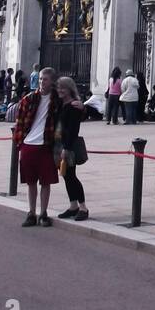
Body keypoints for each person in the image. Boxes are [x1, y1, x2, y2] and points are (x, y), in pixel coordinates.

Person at [11, 65, 60, 227]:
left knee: (45, 182)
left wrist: (81, 107)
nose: (41, 82)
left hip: (46, 145)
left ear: (52, 82)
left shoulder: (57, 100)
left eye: (45, 79)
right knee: (31, 182)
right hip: (29, 144)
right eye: (40, 79)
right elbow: (19, 122)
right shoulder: (29, 98)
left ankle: (43, 213)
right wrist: (19, 143)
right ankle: (31, 212)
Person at [54, 75, 90, 221]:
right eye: (58, 87)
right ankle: (73, 205)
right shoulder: (60, 103)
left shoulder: (73, 106)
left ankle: (83, 207)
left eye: (63, 87)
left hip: (68, 145)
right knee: (66, 175)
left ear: (69, 89)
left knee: (71, 176)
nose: (60, 90)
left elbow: (73, 129)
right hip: (58, 143)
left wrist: (66, 148)